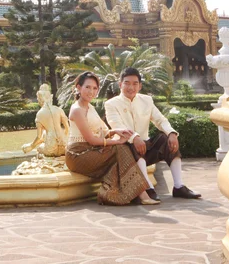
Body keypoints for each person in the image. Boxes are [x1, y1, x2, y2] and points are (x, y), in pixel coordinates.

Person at [105, 67, 201, 201]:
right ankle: (147, 188)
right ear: (120, 84)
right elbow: (117, 125)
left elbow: (160, 119)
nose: (131, 87)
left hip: (145, 146)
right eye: (127, 83)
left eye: (135, 83)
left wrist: (172, 133)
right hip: (125, 150)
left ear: (140, 86)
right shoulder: (111, 104)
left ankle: (179, 186)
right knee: (131, 145)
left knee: (164, 138)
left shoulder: (147, 100)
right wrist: (134, 137)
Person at [65, 71, 160, 205]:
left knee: (121, 152)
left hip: (91, 151)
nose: (91, 91)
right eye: (87, 87)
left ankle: (115, 192)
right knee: (120, 148)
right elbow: (91, 139)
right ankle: (141, 193)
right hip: (78, 155)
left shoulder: (89, 107)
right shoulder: (77, 110)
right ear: (78, 88)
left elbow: (102, 131)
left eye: (94, 88)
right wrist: (115, 141)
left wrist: (116, 131)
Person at [21, 84, 69, 157]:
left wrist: (31, 146)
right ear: (51, 98)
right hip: (64, 147)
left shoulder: (39, 114)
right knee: (45, 133)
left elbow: (39, 137)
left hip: (50, 149)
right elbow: (67, 129)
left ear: (40, 99)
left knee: (39, 148)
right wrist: (62, 139)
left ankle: (32, 147)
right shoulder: (59, 110)